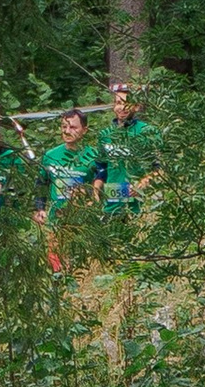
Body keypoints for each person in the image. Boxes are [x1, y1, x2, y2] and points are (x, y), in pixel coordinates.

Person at [35, 107, 104, 276]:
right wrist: (40, 208)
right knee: (56, 261)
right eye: (64, 127)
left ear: (84, 130)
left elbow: (103, 184)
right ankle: (58, 283)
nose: (67, 131)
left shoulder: (93, 156)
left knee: (81, 262)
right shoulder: (50, 155)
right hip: (56, 218)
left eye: (73, 127)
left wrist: (91, 199)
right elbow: (41, 183)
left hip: (83, 219)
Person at [102, 80, 159, 210]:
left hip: (140, 205)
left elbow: (160, 167)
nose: (122, 107)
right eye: (118, 103)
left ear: (137, 106)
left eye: (127, 103)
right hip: (112, 205)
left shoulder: (148, 132)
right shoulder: (105, 135)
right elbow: (101, 169)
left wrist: (143, 183)